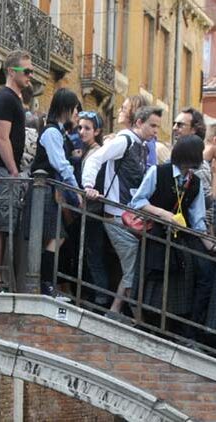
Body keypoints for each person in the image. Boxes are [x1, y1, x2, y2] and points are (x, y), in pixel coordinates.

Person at [82, 106, 163, 316]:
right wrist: (89, 185)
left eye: (157, 127)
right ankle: (130, 316)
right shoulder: (124, 141)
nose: (156, 131)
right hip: (116, 216)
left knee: (134, 266)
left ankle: (119, 312)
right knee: (133, 267)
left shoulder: (142, 147)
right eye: (152, 125)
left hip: (129, 217)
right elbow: (94, 158)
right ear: (138, 123)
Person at [130, 135, 213, 337]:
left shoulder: (195, 183)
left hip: (179, 240)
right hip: (156, 237)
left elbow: (197, 220)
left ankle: (172, 329)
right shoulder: (158, 172)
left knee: (181, 281)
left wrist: (210, 246)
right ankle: (146, 323)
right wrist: (163, 214)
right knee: (152, 281)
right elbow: (137, 201)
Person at [0, 51, 31, 290]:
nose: (30, 76)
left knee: (3, 223)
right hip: (0, 170)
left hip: (4, 169)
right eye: (27, 71)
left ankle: (0, 278)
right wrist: (14, 171)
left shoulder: (12, 99)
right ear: (12, 72)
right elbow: (1, 139)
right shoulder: (5, 98)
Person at [28, 88, 81, 298]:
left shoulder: (58, 132)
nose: (77, 113)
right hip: (45, 190)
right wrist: (76, 190)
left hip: (50, 190)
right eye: (75, 109)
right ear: (66, 108)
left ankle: (47, 285)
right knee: (55, 236)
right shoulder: (51, 132)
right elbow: (61, 164)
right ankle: (45, 286)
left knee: (55, 236)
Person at [77, 111, 110, 307]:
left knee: (94, 254)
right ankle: (95, 295)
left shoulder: (98, 153)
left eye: (87, 128)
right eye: (80, 127)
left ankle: (100, 298)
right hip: (88, 211)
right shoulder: (87, 151)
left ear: (97, 131)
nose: (82, 132)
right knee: (90, 254)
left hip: (94, 211)